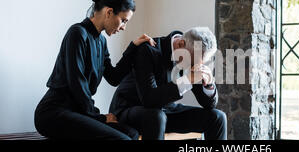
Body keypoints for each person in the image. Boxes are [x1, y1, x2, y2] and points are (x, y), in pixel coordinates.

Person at [34, 0, 156, 140]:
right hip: (54, 112)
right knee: (122, 138)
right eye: (123, 20)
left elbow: (114, 77)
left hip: (79, 112)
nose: (124, 27)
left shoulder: (101, 42)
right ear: (109, 12)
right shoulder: (77, 33)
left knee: (132, 134)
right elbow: (77, 84)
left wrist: (133, 47)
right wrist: (99, 117)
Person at [109, 27, 227, 140]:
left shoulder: (193, 55)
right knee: (156, 116)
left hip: (165, 112)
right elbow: (149, 99)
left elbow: (209, 105)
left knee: (218, 117)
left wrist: (209, 84)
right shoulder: (147, 50)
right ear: (181, 44)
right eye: (193, 62)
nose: (193, 65)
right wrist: (186, 80)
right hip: (130, 109)